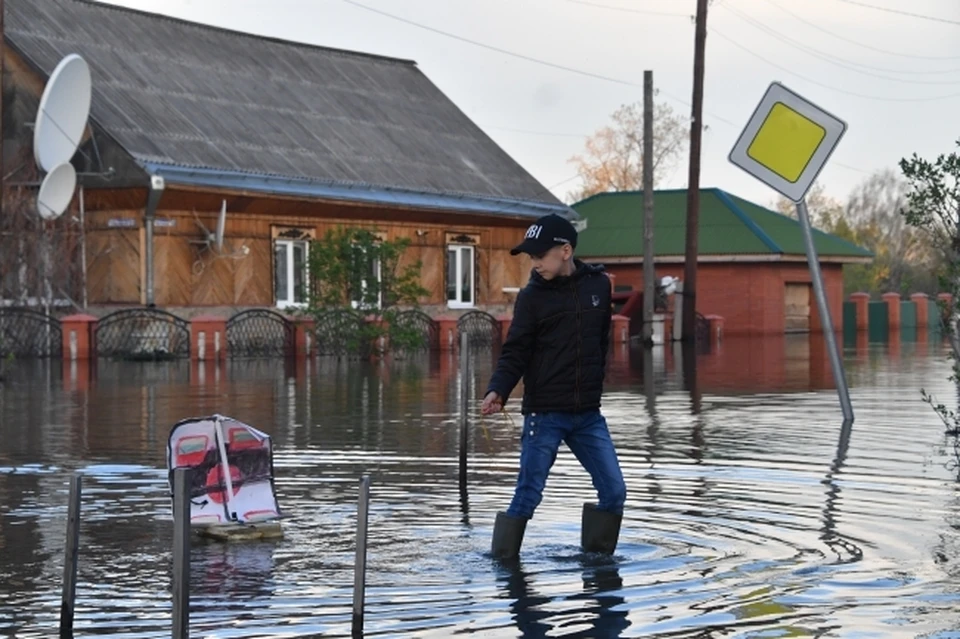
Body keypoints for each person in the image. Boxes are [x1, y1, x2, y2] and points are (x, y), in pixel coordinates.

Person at [481, 213, 626, 559]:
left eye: (539, 255)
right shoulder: (532, 297)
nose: (534, 263)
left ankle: (597, 565)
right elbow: (516, 350)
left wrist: (594, 387)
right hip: (544, 415)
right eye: (531, 256)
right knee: (528, 495)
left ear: (565, 251)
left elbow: (601, 342)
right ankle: (503, 566)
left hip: (588, 416)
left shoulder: (599, 286)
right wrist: (497, 390)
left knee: (615, 491)